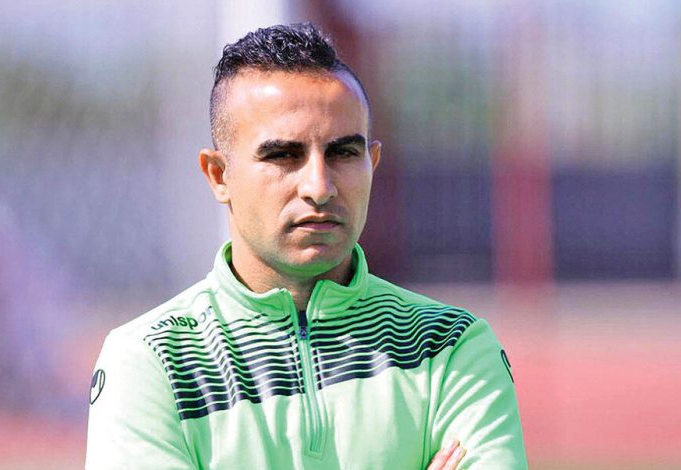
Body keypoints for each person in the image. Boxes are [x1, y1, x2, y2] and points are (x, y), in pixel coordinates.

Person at [85, 23, 527, 470]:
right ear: (219, 175)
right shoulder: (152, 359)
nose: (319, 187)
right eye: (283, 155)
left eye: (343, 153)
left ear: (372, 163)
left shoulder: (450, 346)